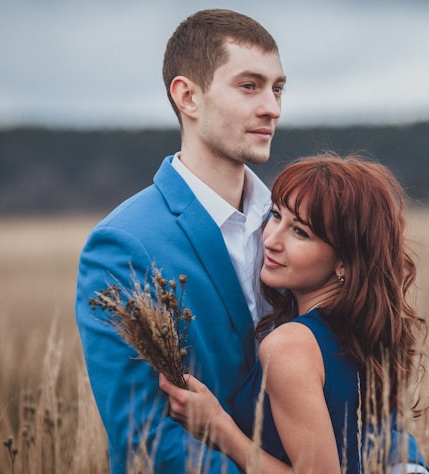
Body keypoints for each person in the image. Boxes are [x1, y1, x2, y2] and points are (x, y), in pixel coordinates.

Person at [75, 9, 286, 473]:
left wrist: (403, 462)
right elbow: (145, 439)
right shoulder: (122, 246)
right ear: (187, 96)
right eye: (249, 86)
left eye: (277, 88)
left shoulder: (296, 225)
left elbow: (354, 377)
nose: (272, 106)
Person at [160, 154, 429, 473]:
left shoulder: (289, 346)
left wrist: (221, 429)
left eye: (300, 232)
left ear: (344, 261)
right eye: (275, 215)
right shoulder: (362, 334)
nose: (271, 240)